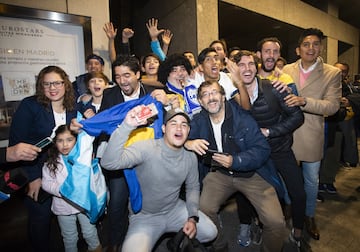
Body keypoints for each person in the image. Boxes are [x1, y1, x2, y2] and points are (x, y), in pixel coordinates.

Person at [186, 80, 285, 252]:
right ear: (200, 102)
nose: (211, 98)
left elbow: (262, 149)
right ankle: (219, 245)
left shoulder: (243, 119)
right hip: (220, 174)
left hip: (252, 174)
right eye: (205, 95)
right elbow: (177, 136)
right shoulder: (199, 120)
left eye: (215, 92)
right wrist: (189, 142)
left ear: (223, 96)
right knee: (204, 209)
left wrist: (236, 161)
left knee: (276, 222)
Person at [100, 108, 217, 252]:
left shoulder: (190, 156)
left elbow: (193, 187)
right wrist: (126, 126)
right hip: (145, 217)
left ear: (188, 131)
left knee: (210, 232)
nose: (179, 128)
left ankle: (177, 241)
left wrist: (192, 217)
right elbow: (108, 163)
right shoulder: (146, 147)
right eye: (173, 123)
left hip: (174, 210)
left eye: (184, 125)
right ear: (163, 128)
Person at [229, 50, 309, 251]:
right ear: (234, 69)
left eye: (250, 64)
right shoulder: (230, 93)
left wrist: (271, 131)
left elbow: (297, 117)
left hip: (280, 149)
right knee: (252, 194)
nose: (246, 69)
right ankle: (255, 226)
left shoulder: (274, 88)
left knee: (298, 192)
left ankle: (298, 232)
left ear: (257, 67)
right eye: (241, 65)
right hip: (255, 155)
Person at [97, 55, 171, 252]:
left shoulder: (153, 93)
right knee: (117, 203)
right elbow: (105, 122)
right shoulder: (110, 95)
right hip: (121, 156)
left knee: (148, 200)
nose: (123, 81)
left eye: (127, 75)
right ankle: (115, 243)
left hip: (148, 157)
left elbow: (172, 120)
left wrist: (168, 103)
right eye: (118, 76)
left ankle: (146, 239)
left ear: (138, 74)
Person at [9, 65, 77, 251]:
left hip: (67, 171)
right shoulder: (29, 106)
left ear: (66, 84)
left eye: (56, 83)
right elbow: (17, 144)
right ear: (41, 86)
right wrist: (33, 177)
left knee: (69, 217)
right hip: (37, 170)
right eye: (46, 84)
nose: (52, 88)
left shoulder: (73, 106)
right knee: (41, 218)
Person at [282, 28, 342, 241]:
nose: (311, 48)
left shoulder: (331, 73)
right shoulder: (287, 69)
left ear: (321, 47)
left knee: (310, 181)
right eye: (306, 44)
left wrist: (304, 101)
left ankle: (308, 215)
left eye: (315, 44)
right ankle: (289, 207)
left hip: (311, 134)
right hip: (287, 134)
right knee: (288, 177)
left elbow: (333, 106)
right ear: (299, 49)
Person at [41, 125, 101, 252]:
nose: (64, 144)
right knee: (69, 238)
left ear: (76, 140)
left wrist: (92, 164)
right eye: (60, 140)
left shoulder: (83, 159)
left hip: (83, 205)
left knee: (90, 233)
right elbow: (46, 183)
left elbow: (93, 179)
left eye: (69, 140)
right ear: (55, 142)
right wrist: (63, 191)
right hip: (63, 207)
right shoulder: (51, 163)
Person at [158, 53, 201, 117]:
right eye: (174, 71)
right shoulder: (162, 96)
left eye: (183, 69)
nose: (180, 73)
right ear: (166, 74)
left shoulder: (196, 89)